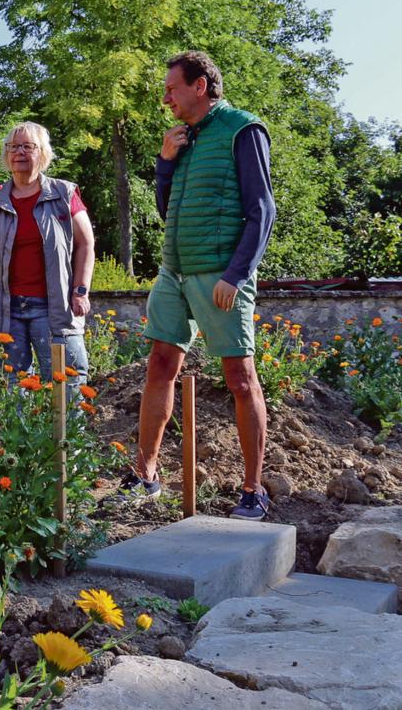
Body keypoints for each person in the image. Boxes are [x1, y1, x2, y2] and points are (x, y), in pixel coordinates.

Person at [127, 51, 277, 521]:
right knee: (159, 365)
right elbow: (167, 208)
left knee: (239, 376)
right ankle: (145, 475)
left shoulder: (242, 129)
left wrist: (237, 274)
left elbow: (263, 210)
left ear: (200, 86)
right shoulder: (183, 139)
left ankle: (254, 490)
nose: (166, 96)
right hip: (173, 271)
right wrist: (165, 162)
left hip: (220, 274)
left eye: (172, 88)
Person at [0, 122, 94, 385]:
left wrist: (81, 290)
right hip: (5, 311)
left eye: (27, 146)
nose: (18, 152)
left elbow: (86, 243)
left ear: (42, 152)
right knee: (9, 391)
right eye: (12, 146)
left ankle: (68, 430)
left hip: (54, 309)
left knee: (67, 385)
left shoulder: (63, 193)